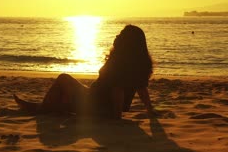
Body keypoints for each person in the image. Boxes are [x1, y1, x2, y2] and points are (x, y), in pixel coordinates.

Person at [13, 25, 155, 119]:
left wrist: (116, 117)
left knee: (63, 78)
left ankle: (39, 109)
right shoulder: (139, 63)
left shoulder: (119, 62)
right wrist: (150, 110)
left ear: (128, 42)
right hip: (99, 103)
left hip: (96, 105)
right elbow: (141, 87)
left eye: (121, 35)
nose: (117, 36)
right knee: (65, 95)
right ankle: (44, 108)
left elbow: (117, 89)